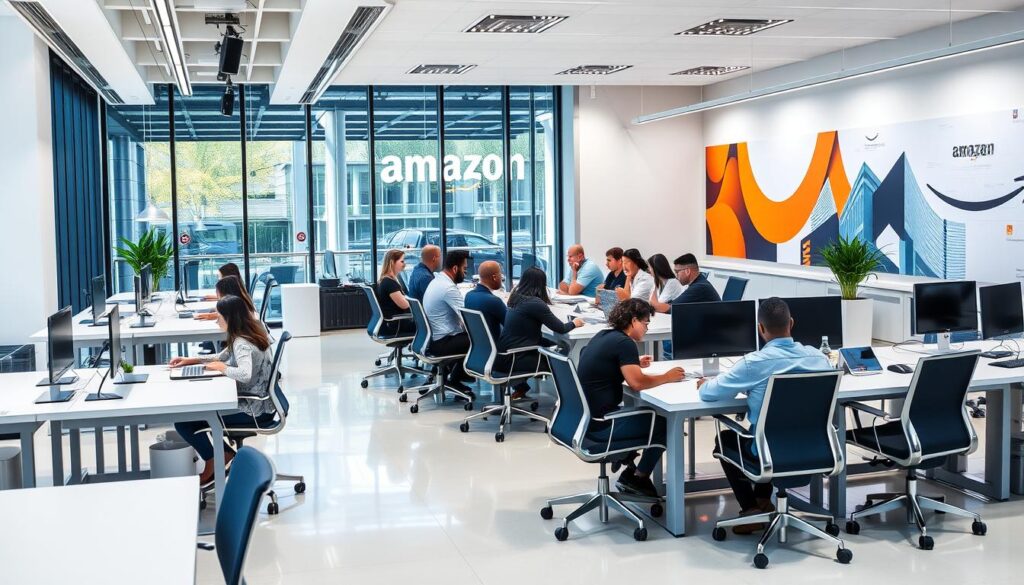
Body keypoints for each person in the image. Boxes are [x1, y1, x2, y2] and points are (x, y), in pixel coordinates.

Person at [698, 297, 831, 534]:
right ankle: (763, 501)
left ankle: (750, 510)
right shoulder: (819, 359)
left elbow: (709, 394)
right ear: (791, 323)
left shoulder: (753, 364)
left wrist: (702, 384)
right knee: (765, 434)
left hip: (770, 452)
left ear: (760, 328)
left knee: (728, 440)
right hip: (813, 449)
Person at [578, 299, 685, 497]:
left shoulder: (605, 335)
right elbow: (637, 383)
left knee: (650, 416)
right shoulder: (625, 343)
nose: (646, 328)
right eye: (645, 323)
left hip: (585, 422)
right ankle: (638, 477)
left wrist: (632, 362)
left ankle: (627, 460)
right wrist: (667, 377)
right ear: (634, 321)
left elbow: (611, 365)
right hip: (603, 427)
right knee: (666, 423)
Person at [171, 295, 278, 488]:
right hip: (261, 405)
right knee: (192, 417)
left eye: (219, 316)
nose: (216, 319)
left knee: (185, 422)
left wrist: (221, 368)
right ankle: (222, 454)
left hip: (252, 411)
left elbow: (244, 374)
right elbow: (221, 356)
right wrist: (191, 360)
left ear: (230, 317)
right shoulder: (246, 333)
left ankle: (217, 458)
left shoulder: (242, 343)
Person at [498, 267, 584, 400]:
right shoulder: (535, 303)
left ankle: (521, 387)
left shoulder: (515, 298)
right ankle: (569, 400)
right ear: (541, 284)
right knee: (563, 359)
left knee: (557, 345)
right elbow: (560, 328)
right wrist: (575, 323)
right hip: (517, 358)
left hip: (505, 355)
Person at [422, 249, 474, 394]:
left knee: (468, 334)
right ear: (455, 268)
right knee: (483, 339)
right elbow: (468, 317)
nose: (466, 273)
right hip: (442, 343)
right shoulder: (448, 288)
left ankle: (453, 376)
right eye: (464, 269)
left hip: (434, 339)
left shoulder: (437, 281)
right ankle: (456, 379)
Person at [376, 249, 416, 336]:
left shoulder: (385, 280)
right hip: (397, 325)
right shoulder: (389, 283)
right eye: (402, 261)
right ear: (392, 262)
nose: (404, 264)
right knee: (429, 325)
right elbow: (405, 305)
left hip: (393, 323)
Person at [464, 260, 507, 341]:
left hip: (481, 344)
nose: (502, 278)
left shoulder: (469, 295)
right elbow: (510, 326)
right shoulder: (494, 301)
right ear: (494, 277)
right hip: (497, 346)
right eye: (500, 274)